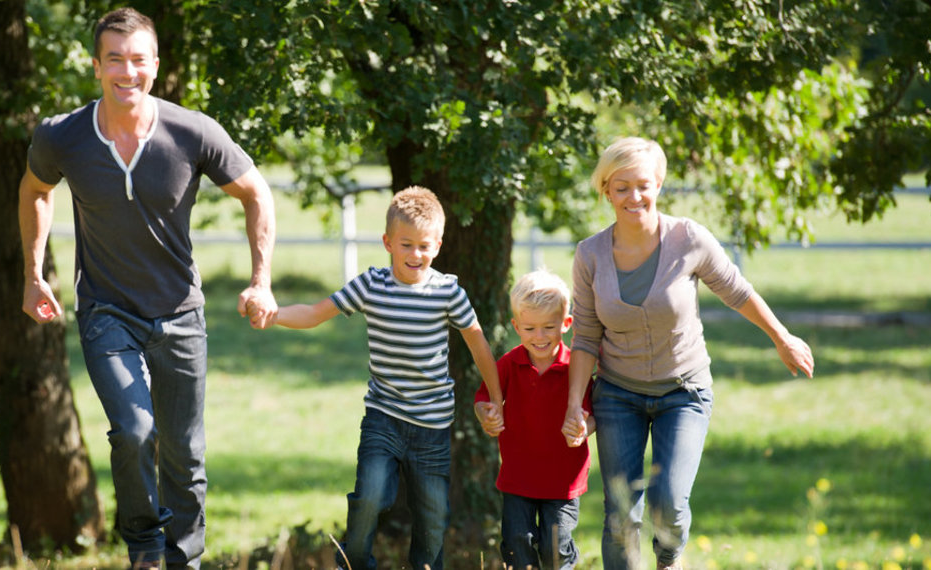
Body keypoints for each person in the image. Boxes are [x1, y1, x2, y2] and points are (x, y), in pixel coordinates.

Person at [17, 8, 277, 569]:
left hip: (181, 314)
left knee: (185, 454)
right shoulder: (64, 136)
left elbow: (257, 193)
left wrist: (262, 281)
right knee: (134, 431)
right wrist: (33, 272)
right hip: (107, 311)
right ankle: (144, 550)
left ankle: (186, 560)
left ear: (155, 66)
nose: (126, 72)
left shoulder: (193, 132)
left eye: (138, 60)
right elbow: (35, 189)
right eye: (115, 59)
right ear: (96, 66)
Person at [559, 137, 815, 570]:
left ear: (658, 184)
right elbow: (584, 336)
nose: (634, 196)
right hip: (618, 393)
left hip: (684, 392)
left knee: (670, 505)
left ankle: (669, 559)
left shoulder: (688, 239)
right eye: (621, 187)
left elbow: (738, 291)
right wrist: (573, 406)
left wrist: (781, 337)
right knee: (621, 514)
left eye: (643, 185)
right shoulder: (590, 255)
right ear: (605, 191)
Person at [272, 186, 503, 570]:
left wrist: (496, 400)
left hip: (432, 427)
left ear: (439, 246)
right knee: (370, 498)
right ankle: (356, 561)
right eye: (406, 244)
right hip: (384, 417)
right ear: (388, 242)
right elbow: (314, 313)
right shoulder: (371, 285)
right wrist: (274, 314)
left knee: (432, 521)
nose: (416, 254)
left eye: (424, 246)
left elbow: (479, 346)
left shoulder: (447, 291)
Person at [475, 269, 594, 570]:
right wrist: (486, 414)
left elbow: (594, 415)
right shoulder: (509, 364)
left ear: (566, 324)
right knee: (516, 541)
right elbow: (483, 399)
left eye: (548, 327)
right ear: (516, 326)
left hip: (563, 479)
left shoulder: (576, 368)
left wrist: (583, 427)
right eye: (529, 328)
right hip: (518, 476)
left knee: (555, 547)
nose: (539, 337)